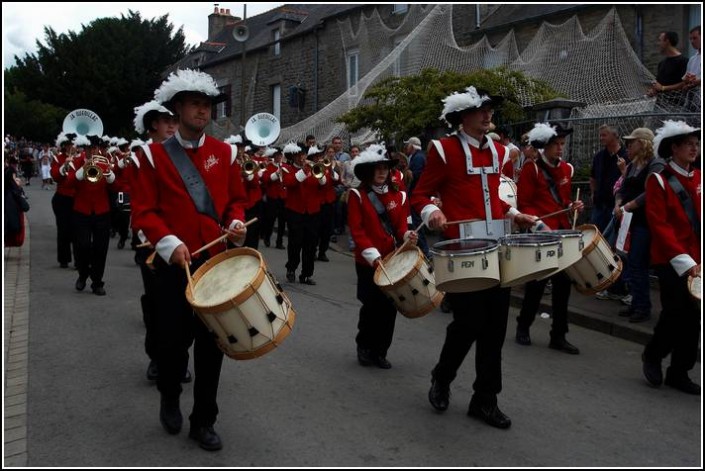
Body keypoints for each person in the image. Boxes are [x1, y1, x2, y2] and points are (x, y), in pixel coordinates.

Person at [131, 69, 248, 450]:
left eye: (207, 105)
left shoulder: (226, 153)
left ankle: (203, 420)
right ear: (177, 107)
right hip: (172, 267)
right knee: (170, 342)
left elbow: (236, 200)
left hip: (214, 264)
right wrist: (167, 241)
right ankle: (169, 394)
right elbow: (144, 212)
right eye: (195, 104)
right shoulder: (150, 156)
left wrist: (235, 221)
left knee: (213, 345)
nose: (202, 111)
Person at [411, 86, 539, 429]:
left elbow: (495, 198)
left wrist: (514, 214)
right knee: (467, 324)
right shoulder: (443, 149)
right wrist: (431, 213)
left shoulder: (500, 151)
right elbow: (420, 194)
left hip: (497, 251)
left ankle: (485, 399)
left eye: (490, 110)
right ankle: (443, 375)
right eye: (481, 110)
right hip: (463, 254)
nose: (488, 115)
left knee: (495, 329)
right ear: (462, 116)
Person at [641, 120, 700, 395]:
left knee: (695, 318)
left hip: (697, 260)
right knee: (675, 313)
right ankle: (653, 355)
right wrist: (685, 262)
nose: (695, 147)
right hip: (670, 259)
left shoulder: (699, 177)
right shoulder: (658, 180)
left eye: (696, 143)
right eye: (688, 143)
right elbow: (660, 225)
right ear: (673, 148)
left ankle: (679, 372)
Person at [515, 123, 584, 354]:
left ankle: (559, 335)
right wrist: (541, 225)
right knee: (536, 285)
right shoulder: (531, 169)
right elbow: (524, 205)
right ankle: (523, 326)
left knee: (564, 286)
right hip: (541, 236)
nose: (560, 148)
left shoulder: (566, 169)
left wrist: (573, 206)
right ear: (544, 146)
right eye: (556, 144)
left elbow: (563, 202)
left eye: (562, 144)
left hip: (562, 234)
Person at [347, 145, 417, 369]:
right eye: (377, 168)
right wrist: (374, 257)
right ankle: (364, 346)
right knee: (371, 306)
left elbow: (401, 226)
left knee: (389, 308)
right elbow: (357, 231)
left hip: (392, 259)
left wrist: (408, 234)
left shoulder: (399, 194)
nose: (382, 172)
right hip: (368, 262)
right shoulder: (357, 195)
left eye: (385, 168)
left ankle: (380, 351)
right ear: (368, 171)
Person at [130, 99, 179, 383]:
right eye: (167, 121)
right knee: (158, 307)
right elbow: (140, 208)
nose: (173, 125)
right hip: (152, 245)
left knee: (184, 311)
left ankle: (176, 358)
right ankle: (158, 358)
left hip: (186, 245)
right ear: (153, 125)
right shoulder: (143, 156)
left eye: (175, 120)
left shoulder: (186, 155)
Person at [614, 128, 665, 323]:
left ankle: (642, 307)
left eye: (632, 142)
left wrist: (628, 205)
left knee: (638, 262)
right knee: (633, 262)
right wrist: (618, 203)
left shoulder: (656, 164)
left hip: (646, 221)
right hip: (631, 220)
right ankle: (637, 303)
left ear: (643, 144)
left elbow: (651, 192)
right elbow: (624, 187)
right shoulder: (634, 164)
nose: (628, 146)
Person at [65, 134, 116, 296]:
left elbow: (114, 185)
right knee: (82, 246)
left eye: (95, 148)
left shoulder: (103, 162)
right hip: (81, 210)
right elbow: (69, 183)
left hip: (102, 211)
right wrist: (84, 167)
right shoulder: (77, 162)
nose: (93, 151)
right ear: (85, 149)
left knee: (101, 248)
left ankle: (97, 282)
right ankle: (82, 274)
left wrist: (109, 174)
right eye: (89, 148)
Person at [281, 143, 326, 284]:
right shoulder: (287, 169)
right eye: (299, 155)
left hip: (313, 211)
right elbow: (290, 183)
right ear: (293, 156)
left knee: (311, 244)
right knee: (295, 242)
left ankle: (306, 274)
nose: (302, 157)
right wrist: (305, 169)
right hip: (295, 211)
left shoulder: (313, 168)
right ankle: (291, 268)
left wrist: (318, 172)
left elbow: (324, 183)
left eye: (304, 154)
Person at [50, 133, 77, 268]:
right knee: (64, 230)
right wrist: (64, 166)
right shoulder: (58, 158)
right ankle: (64, 259)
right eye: (69, 144)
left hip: (78, 199)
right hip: (62, 198)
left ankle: (79, 260)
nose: (72, 146)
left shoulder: (82, 158)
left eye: (73, 144)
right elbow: (55, 176)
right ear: (64, 146)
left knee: (78, 230)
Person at [646, 31, 689, 110]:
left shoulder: (684, 61)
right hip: (660, 107)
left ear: (667, 41)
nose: (659, 44)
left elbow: (684, 83)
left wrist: (663, 88)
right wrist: (653, 90)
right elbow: (658, 84)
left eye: (660, 40)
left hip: (677, 107)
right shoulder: (661, 63)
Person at [403, 136, 429, 257]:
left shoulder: (418, 157)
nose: (406, 147)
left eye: (407, 145)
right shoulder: (416, 156)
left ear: (412, 146)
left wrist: (409, 174)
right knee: (415, 223)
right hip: (415, 194)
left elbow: (417, 176)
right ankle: (423, 250)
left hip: (416, 195)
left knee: (417, 224)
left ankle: (425, 251)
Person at [4, 158, 30, 247]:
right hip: (12, 226)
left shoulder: (10, 190)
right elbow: (26, 207)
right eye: (15, 178)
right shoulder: (14, 192)